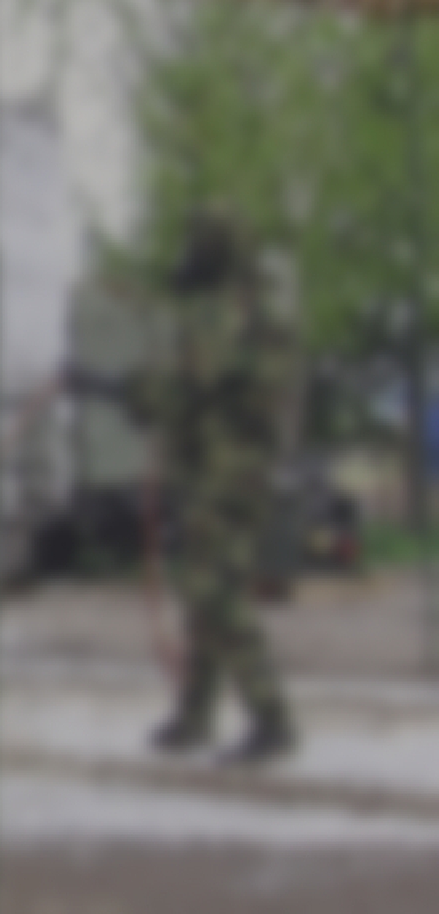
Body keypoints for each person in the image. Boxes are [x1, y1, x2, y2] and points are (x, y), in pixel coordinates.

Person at [70, 210, 299, 766]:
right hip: (234, 470)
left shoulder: (222, 311)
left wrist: (114, 388)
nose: (188, 255)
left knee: (213, 592)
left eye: (196, 245)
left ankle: (272, 719)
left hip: (224, 473)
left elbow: (184, 389)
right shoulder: (253, 306)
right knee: (204, 590)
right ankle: (196, 716)